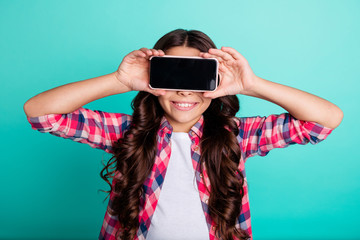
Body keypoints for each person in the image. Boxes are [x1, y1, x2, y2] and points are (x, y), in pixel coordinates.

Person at [23, 29, 343, 240]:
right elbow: (40, 113)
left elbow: (325, 120)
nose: (183, 90)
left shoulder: (237, 134)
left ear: (216, 83)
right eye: (175, 74)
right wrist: (120, 80)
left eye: (197, 77)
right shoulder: (126, 132)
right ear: (152, 79)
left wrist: (252, 85)